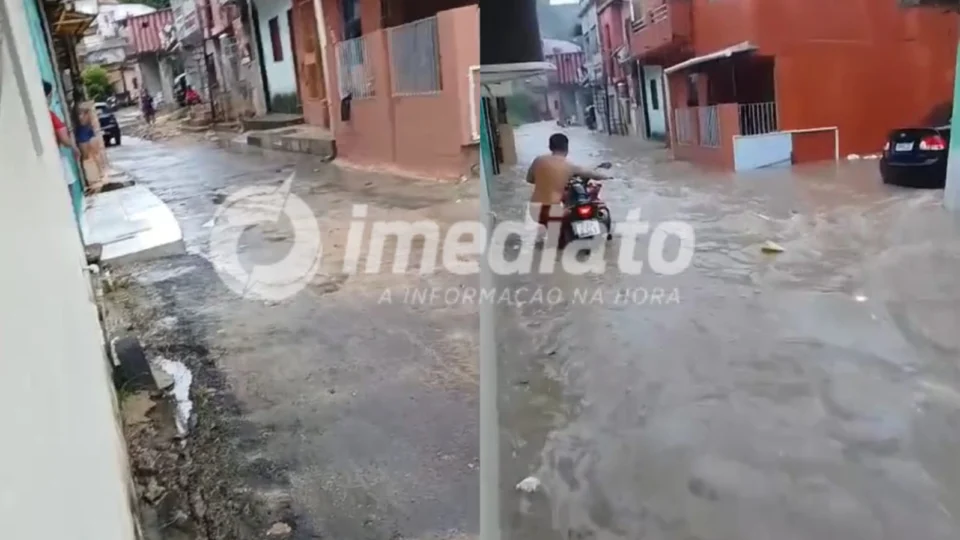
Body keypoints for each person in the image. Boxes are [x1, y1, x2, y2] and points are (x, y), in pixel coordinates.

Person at [526, 133, 612, 237]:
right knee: (571, 216)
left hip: (536, 211)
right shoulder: (569, 166)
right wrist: (609, 177)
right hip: (553, 212)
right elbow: (594, 174)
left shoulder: (538, 161)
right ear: (567, 147)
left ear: (550, 147)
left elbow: (529, 179)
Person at [44, 81, 80, 161]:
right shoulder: (50, 115)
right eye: (50, 96)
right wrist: (74, 146)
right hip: (54, 157)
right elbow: (64, 140)